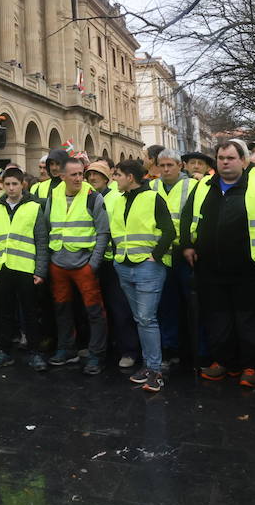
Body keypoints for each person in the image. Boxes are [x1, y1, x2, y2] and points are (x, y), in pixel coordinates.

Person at [180, 139, 255, 389]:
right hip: (211, 266)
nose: (225, 162)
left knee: (249, 319)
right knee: (217, 318)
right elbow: (188, 216)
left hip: (249, 266)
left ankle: (251, 365)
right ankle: (223, 362)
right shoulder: (203, 187)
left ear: (244, 160)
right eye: (221, 158)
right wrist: (187, 244)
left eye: (230, 158)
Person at [109, 159, 174, 392]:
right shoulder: (119, 201)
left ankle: (155, 370)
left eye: (117, 175)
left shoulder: (153, 198)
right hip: (124, 265)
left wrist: (155, 255)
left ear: (130, 177)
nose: (114, 179)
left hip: (147, 267)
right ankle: (149, 366)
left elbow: (169, 230)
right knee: (141, 319)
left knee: (147, 319)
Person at [46, 157, 110, 374]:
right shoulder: (53, 195)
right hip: (58, 263)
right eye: (73, 175)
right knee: (62, 309)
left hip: (84, 264)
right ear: (61, 176)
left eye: (80, 174)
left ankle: (96, 355)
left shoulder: (93, 197)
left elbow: (103, 232)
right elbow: (47, 227)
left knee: (94, 311)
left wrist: (93, 264)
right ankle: (67, 349)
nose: (79, 179)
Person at [0, 167, 50, 372]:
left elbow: (41, 240)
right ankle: (4, 352)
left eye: (15, 184)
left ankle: (34, 352)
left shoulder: (33, 207)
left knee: (29, 313)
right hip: (2, 267)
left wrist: (40, 270)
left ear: (22, 185)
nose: (11, 188)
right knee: (5, 312)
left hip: (25, 268)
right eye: (7, 184)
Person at [90, 160, 140, 371]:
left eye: (96, 175)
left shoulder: (116, 196)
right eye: (89, 175)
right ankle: (108, 345)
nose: (92, 178)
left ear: (106, 177)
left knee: (121, 309)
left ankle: (129, 350)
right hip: (95, 260)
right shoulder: (88, 197)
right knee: (100, 309)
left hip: (114, 261)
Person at [149, 149, 191, 369]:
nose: (165, 170)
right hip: (160, 254)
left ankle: (191, 350)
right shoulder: (152, 186)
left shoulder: (192, 186)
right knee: (166, 304)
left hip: (184, 252)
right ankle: (169, 348)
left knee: (190, 303)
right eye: (162, 165)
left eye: (170, 165)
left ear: (180, 166)